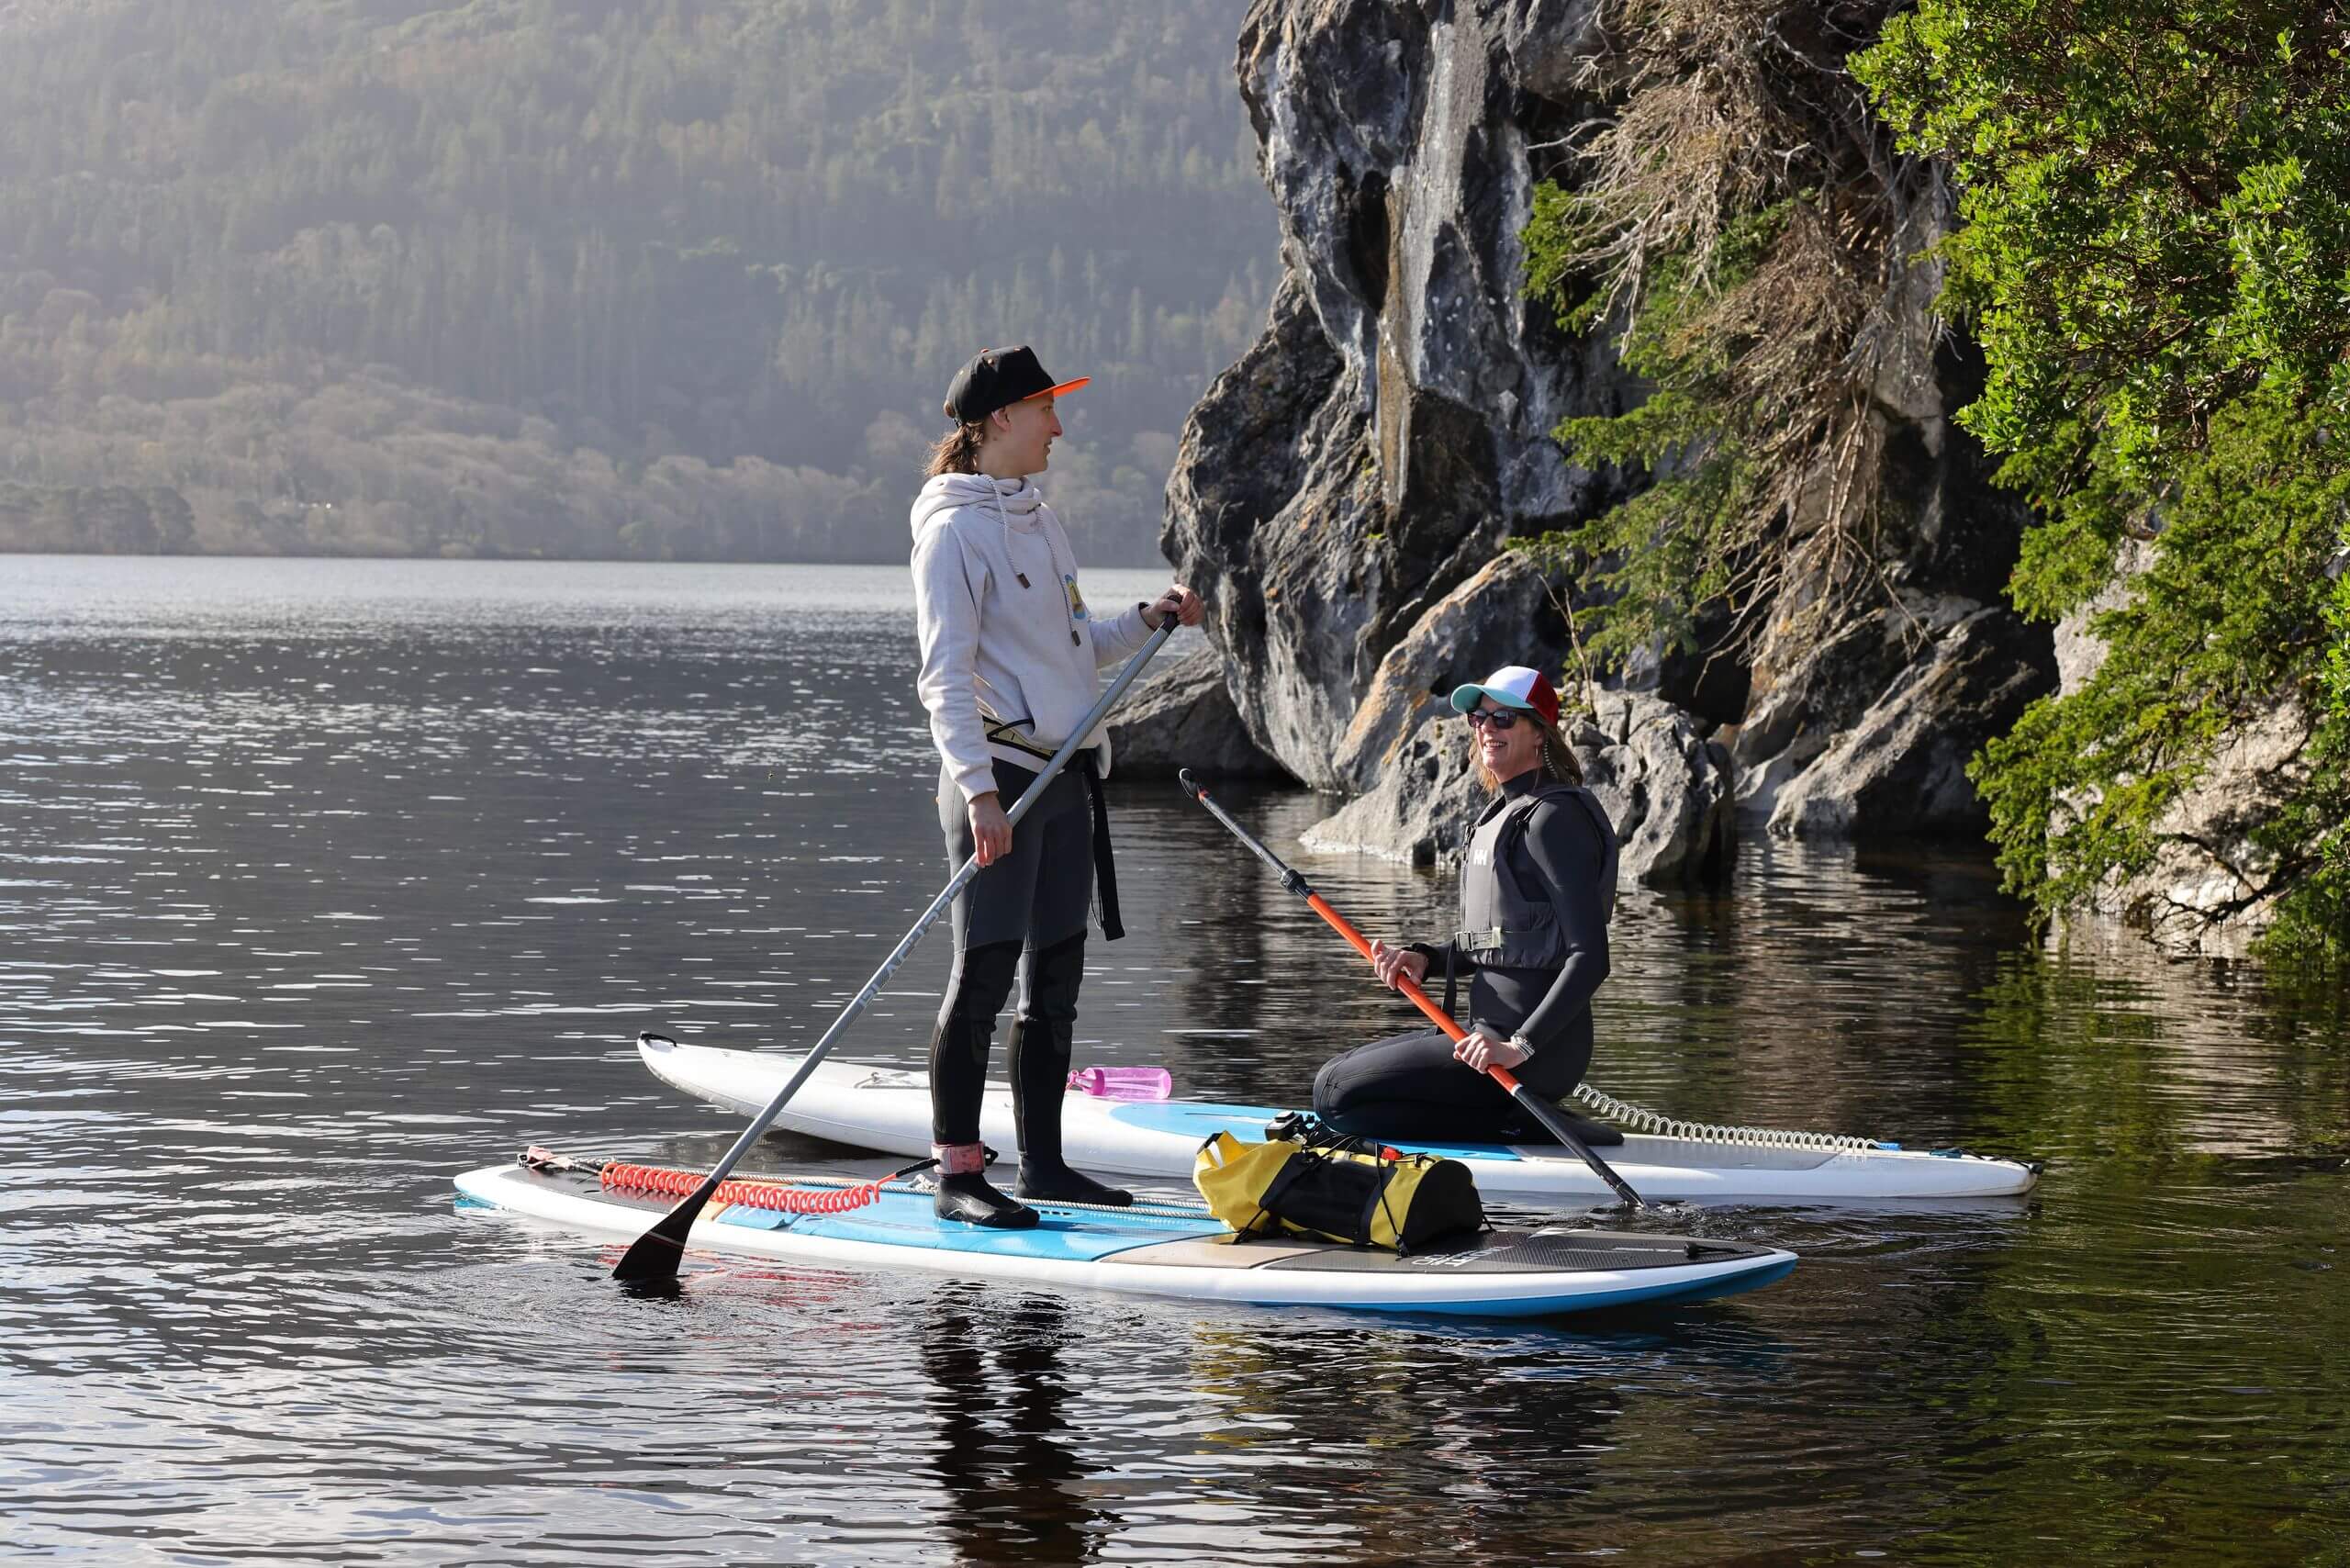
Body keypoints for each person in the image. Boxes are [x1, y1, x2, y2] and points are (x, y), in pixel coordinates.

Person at [911, 344, 1203, 1227]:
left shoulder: (1038, 517)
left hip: (1069, 774)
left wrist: (1145, 620)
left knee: (1059, 978)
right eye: (1046, 409)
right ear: (998, 420)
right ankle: (959, 1174)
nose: (1059, 426)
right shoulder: (952, 532)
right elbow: (943, 678)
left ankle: (1043, 1164)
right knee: (985, 971)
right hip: (999, 779)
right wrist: (979, 794)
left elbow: (1076, 648)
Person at [1312, 664, 1621, 1146]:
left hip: (1534, 1049)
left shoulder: (1554, 820)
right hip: (1483, 1036)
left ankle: (1523, 1123)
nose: (1485, 728)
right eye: (1478, 717)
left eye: (1503, 718)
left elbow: (1590, 957)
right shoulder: (1504, 813)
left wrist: (1518, 1047)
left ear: (1540, 732)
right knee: (1335, 1079)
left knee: (1336, 1095)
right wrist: (1426, 958)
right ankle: (1517, 1122)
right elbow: (1502, 940)